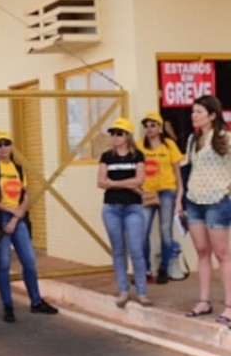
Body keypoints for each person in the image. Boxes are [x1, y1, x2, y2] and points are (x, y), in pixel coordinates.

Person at [0, 131, 59, 322]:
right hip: (3, 217)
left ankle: (36, 301)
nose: (3, 148)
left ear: (11, 146)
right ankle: (8, 305)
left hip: (17, 218)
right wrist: (13, 213)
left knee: (29, 261)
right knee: (3, 264)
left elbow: (26, 196)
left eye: (6, 144)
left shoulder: (18, 169)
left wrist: (17, 215)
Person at [183, 95, 231, 320]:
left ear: (212, 115)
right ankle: (204, 301)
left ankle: (229, 305)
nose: (194, 115)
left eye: (198, 112)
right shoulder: (192, 139)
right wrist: (181, 198)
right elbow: (188, 168)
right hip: (194, 200)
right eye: (193, 111)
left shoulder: (225, 138)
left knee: (222, 254)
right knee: (202, 252)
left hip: (217, 201)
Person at [98, 117, 150, 307]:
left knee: (136, 250)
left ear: (128, 136)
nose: (115, 137)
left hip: (133, 207)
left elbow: (140, 180)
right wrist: (128, 184)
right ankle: (123, 290)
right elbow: (100, 181)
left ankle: (142, 292)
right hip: (111, 207)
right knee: (118, 250)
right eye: (113, 133)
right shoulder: (106, 156)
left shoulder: (137, 155)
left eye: (119, 133)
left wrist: (113, 183)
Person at [136, 111, 184, 285]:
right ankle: (146, 270)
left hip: (166, 190)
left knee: (165, 231)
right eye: (146, 126)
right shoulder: (139, 146)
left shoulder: (169, 145)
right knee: (142, 232)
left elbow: (178, 173)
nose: (149, 129)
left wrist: (179, 197)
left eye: (153, 125)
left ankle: (164, 268)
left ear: (160, 127)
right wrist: (138, 190)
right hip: (147, 192)